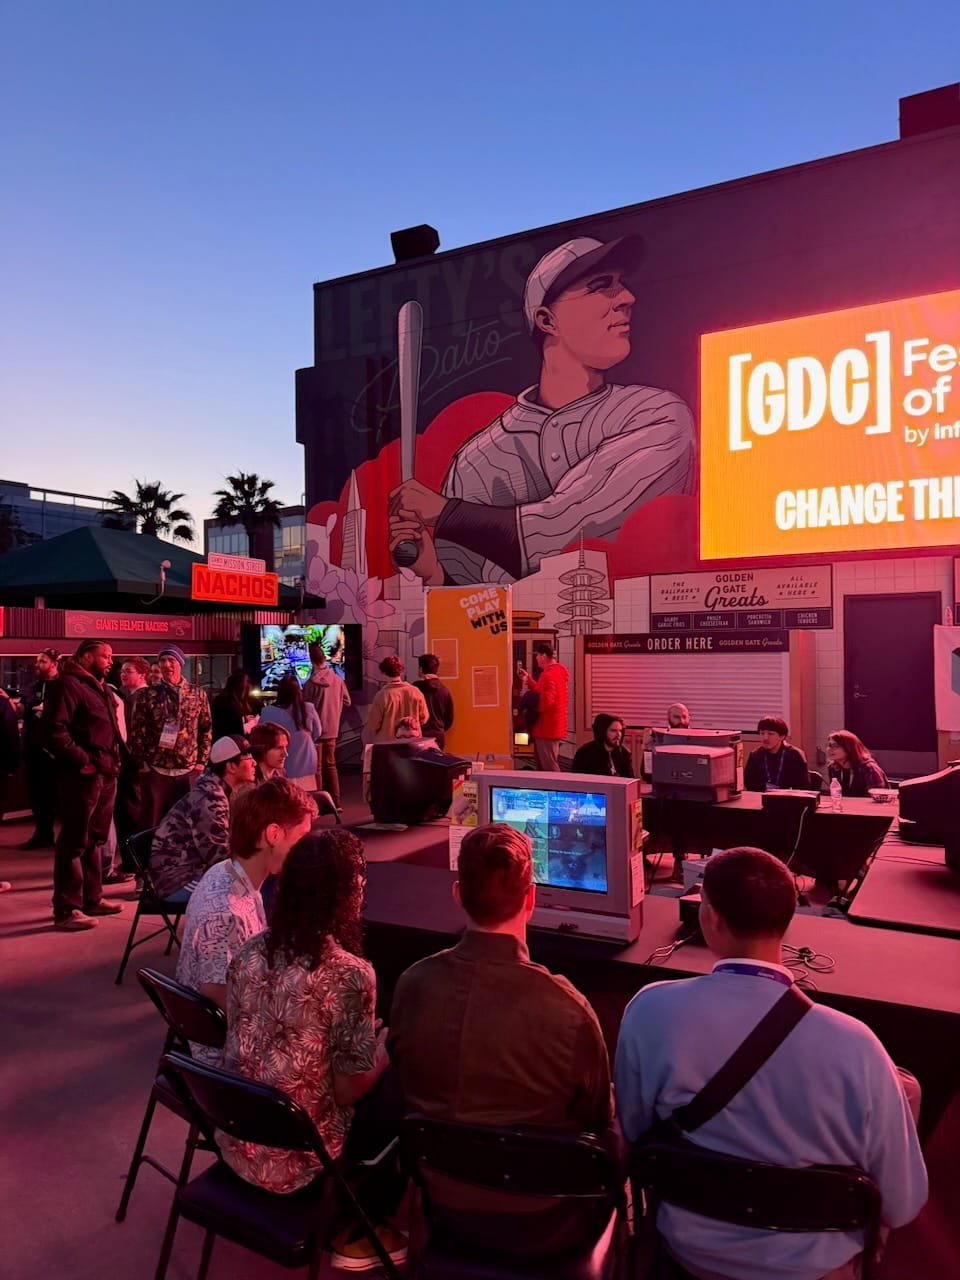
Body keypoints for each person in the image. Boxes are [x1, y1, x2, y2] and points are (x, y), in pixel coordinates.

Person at [614, 846, 927, 1280]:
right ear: (789, 919)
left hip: (689, 1257)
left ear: (710, 918)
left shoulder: (648, 1010)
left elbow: (634, 1134)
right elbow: (902, 1205)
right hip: (817, 1270)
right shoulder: (857, 1045)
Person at [388, 235, 694, 585]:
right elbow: (467, 600)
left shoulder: (657, 415)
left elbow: (569, 533)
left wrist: (447, 513)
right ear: (547, 321)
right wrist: (433, 571)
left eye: (621, 283)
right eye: (601, 287)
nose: (627, 297)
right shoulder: (477, 458)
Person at [223, 831, 407, 1271]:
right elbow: (347, 1091)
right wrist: (383, 1052)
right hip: (304, 1164)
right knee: (400, 1080)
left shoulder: (247, 953)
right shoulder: (350, 974)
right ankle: (359, 1225)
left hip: (237, 1141)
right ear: (345, 895)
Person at [388, 823, 611, 1134]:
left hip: (433, 1164)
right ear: (530, 898)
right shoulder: (571, 1010)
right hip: (536, 1165)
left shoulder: (412, 984)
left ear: (457, 894)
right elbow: (598, 1117)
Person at [174, 778, 317, 1038]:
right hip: (230, 1050)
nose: (305, 849)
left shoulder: (228, 872)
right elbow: (222, 1002)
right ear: (273, 834)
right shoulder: (226, 913)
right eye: (300, 838)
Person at [41, 640, 126, 931]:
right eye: (106, 656)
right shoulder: (68, 685)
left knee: (95, 839)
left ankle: (92, 898)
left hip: (105, 771)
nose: (111, 661)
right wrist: (82, 761)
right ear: (87, 657)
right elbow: (53, 731)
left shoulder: (98, 687)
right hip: (82, 776)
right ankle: (67, 908)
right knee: (74, 841)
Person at [148, 735, 256, 899]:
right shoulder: (209, 798)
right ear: (231, 767)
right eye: (248, 758)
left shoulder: (218, 790)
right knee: (252, 883)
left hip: (195, 871)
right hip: (178, 881)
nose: (254, 763)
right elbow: (219, 857)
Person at [128, 644, 213, 828]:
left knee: (187, 824)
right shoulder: (147, 695)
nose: (167, 665)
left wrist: (201, 762)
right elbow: (137, 731)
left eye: (171, 660)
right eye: (163, 661)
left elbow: (206, 729)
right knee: (152, 825)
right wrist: (142, 764)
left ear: (180, 663)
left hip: (188, 770)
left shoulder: (197, 694)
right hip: (156, 770)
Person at [19, 648, 60, 850]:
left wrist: (48, 712)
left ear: (54, 663)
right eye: (38, 661)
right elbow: (22, 710)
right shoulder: (33, 686)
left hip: (54, 751)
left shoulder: (63, 687)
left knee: (55, 794)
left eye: (43, 661)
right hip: (32, 748)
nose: (38, 665)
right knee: (37, 793)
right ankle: (43, 834)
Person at [302, 641, 351, 809]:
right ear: (324, 659)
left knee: (317, 768)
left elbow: (304, 707)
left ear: (312, 661)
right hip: (332, 729)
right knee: (331, 766)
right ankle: (336, 802)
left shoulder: (309, 684)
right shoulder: (338, 680)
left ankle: (320, 804)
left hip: (315, 731)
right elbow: (347, 701)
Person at [260, 674, 323, 791]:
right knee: (307, 796)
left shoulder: (267, 711)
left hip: (278, 763)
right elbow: (318, 732)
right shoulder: (308, 708)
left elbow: (261, 736)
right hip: (306, 760)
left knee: (284, 795)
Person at [517, 642, 569, 771]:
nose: (536, 658)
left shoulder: (549, 675)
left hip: (547, 729)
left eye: (537, 655)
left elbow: (546, 701)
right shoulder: (554, 673)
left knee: (549, 768)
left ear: (544, 656)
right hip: (550, 727)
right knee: (545, 767)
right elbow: (542, 692)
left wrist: (528, 698)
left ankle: (557, 785)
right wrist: (528, 679)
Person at [366, 656, 428, 744]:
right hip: (412, 742)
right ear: (401, 671)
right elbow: (424, 718)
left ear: (383, 673)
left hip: (388, 743)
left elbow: (373, 724)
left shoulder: (382, 695)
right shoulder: (415, 692)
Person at [743, 715, 810, 792]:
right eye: (762, 733)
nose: (765, 738)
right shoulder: (755, 755)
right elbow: (749, 784)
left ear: (782, 736)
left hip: (788, 797)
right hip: (762, 797)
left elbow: (803, 787)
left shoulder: (795, 755)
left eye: (770, 734)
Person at [826, 731, 888, 797]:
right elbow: (835, 795)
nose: (829, 749)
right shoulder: (833, 768)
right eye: (829, 745)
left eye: (835, 745)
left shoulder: (868, 768)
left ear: (849, 748)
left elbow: (878, 798)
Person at [572, 713, 633, 778]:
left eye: (620, 731)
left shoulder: (624, 754)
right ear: (602, 732)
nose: (618, 735)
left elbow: (630, 779)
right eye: (613, 731)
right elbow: (577, 779)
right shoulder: (585, 753)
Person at [413, 653, 454, 748]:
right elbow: (449, 718)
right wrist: (440, 729)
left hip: (420, 736)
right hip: (438, 736)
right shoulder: (445, 690)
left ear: (420, 669)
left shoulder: (416, 688)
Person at [210, 669, 257, 741]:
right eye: (247, 682)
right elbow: (232, 730)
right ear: (240, 684)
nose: (249, 686)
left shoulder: (241, 701)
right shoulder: (225, 704)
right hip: (228, 743)